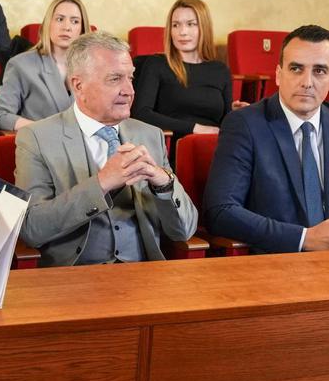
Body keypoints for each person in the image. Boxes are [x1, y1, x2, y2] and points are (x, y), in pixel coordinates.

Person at [203, 24, 329, 254]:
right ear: (278, 74)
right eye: (296, 69)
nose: (307, 82)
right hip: (275, 262)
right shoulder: (244, 124)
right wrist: (304, 238)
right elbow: (221, 211)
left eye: (319, 71)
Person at [16, 31, 198, 266]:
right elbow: (32, 228)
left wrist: (164, 184)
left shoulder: (150, 135)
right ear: (78, 85)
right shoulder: (37, 138)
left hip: (142, 274)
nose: (129, 91)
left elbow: (184, 231)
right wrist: (101, 183)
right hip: (74, 276)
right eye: (115, 79)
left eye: (130, 78)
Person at [131, 0, 242, 157]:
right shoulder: (157, 64)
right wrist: (195, 128)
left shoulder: (220, 70)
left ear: (204, 27)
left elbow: (225, 121)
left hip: (213, 150)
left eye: (191, 24)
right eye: (176, 25)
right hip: (170, 149)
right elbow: (141, 113)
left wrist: (239, 113)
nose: (182, 32)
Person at [0, 0, 89, 131]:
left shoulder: (92, 68)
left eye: (75, 21)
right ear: (48, 24)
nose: (67, 27)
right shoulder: (20, 65)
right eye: (60, 19)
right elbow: (0, 115)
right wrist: (42, 130)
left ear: (82, 30)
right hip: (43, 142)